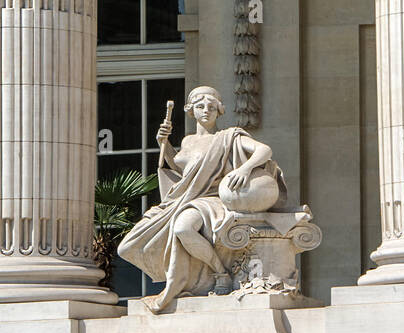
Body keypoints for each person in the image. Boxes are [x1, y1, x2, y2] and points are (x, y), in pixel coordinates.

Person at [117, 85, 286, 313]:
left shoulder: (228, 137)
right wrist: (164, 146)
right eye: (200, 106)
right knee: (127, 246)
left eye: (211, 107)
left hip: (213, 198)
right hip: (184, 199)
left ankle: (220, 273)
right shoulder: (187, 142)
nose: (206, 111)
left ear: (219, 111)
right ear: (191, 111)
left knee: (183, 228)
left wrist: (244, 169)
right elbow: (182, 172)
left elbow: (264, 150)